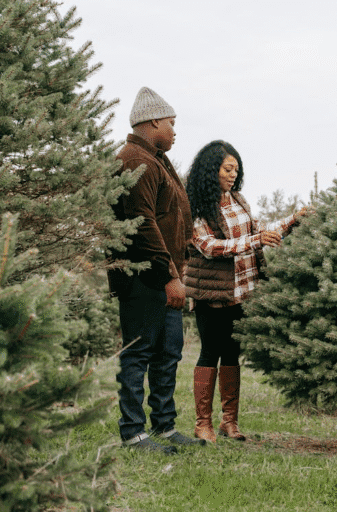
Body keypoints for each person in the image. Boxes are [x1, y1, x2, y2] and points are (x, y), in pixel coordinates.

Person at [184, 140, 310, 443]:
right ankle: (203, 424)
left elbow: (258, 229)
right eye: (228, 169)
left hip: (242, 293)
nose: (232, 174)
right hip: (212, 294)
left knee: (231, 353)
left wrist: (292, 219)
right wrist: (255, 241)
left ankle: (230, 422)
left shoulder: (237, 200)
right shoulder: (197, 208)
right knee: (210, 352)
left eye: (236, 170)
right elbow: (210, 247)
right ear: (211, 169)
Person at [107, 87, 204, 453]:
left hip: (165, 276)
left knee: (168, 352)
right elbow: (142, 223)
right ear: (151, 123)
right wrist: (170, 277)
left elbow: (170, 216)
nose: (175, 130)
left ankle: (164, 426)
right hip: (144, 278)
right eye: (170, 123)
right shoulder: (135, 160)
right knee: (138, 353)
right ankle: (133, 432)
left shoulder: (156, 158)